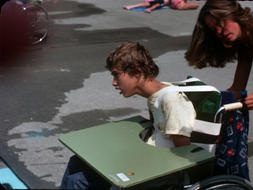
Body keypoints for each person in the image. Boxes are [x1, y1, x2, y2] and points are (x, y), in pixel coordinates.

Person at [60, 41, 196, 189]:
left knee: (79, 181)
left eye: (116, 75)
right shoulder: (155, 97)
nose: (114, 83)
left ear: (137, 72)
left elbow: (183, 153)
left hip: (163, 173)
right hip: (148, 162)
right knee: (76, 162)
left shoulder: (171, 99)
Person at [185, 1, 253, 189]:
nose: (220, 31)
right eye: (214, 29)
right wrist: (206, 103)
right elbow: (237, 88)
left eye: (221, 23)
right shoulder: (247, 42)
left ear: (232, 13)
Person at [123, 0, 198, 13]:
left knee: (151, 3)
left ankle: (130, 6)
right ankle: (130, 6)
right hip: (175, 4)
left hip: (174, 4)